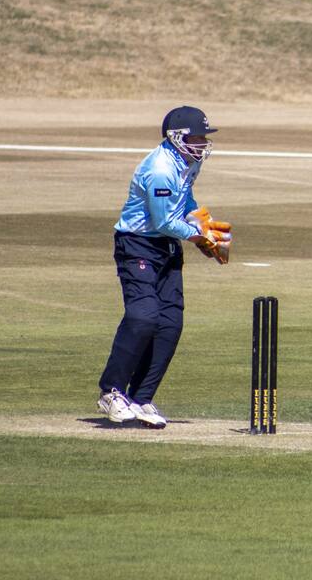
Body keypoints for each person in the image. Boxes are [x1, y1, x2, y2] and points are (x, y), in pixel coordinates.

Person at [95, 106, 231, 429]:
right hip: (137, 244)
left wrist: (202, 222)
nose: (202, 143)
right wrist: (201, 237)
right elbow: (164, 221)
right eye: (196, 138)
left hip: (165, 246)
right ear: (176, 137)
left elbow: (184, 201)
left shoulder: (189, 162)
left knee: (170, 323)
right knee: (143, 316)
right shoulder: (159, 169)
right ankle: (111, 392)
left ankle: (141, 398)